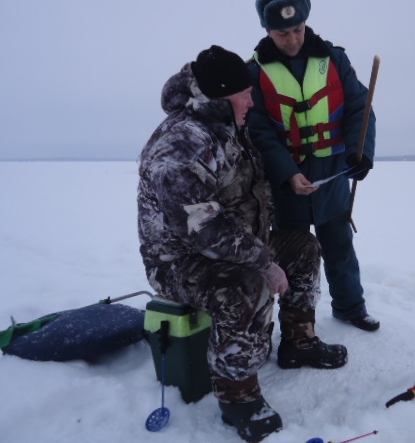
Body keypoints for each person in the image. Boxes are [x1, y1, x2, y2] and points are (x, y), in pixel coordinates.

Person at [137, 45, 347, 443]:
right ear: (220, 94)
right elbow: (201, 228)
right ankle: (237, 396)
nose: (252, 99)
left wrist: (290, 182)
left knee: (302, 247)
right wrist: (263, 261)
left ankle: (299, 342)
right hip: (179, 262)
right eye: (245, 93)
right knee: (246, 287)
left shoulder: (229, 126)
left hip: (235, 245)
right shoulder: (180, 145)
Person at [246, 0, 380, 332]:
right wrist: (288, 173)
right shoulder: (255, 72)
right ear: (267, 30)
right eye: (281, 33)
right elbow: (258, 131)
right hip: (284, 180)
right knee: (290, 253)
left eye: (297, 30)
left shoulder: (334, 59)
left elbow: (359, 109)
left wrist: (360, 152)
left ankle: (351, 307)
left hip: (331, 172)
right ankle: (295, 326)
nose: (291, 39)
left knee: (339, 244)